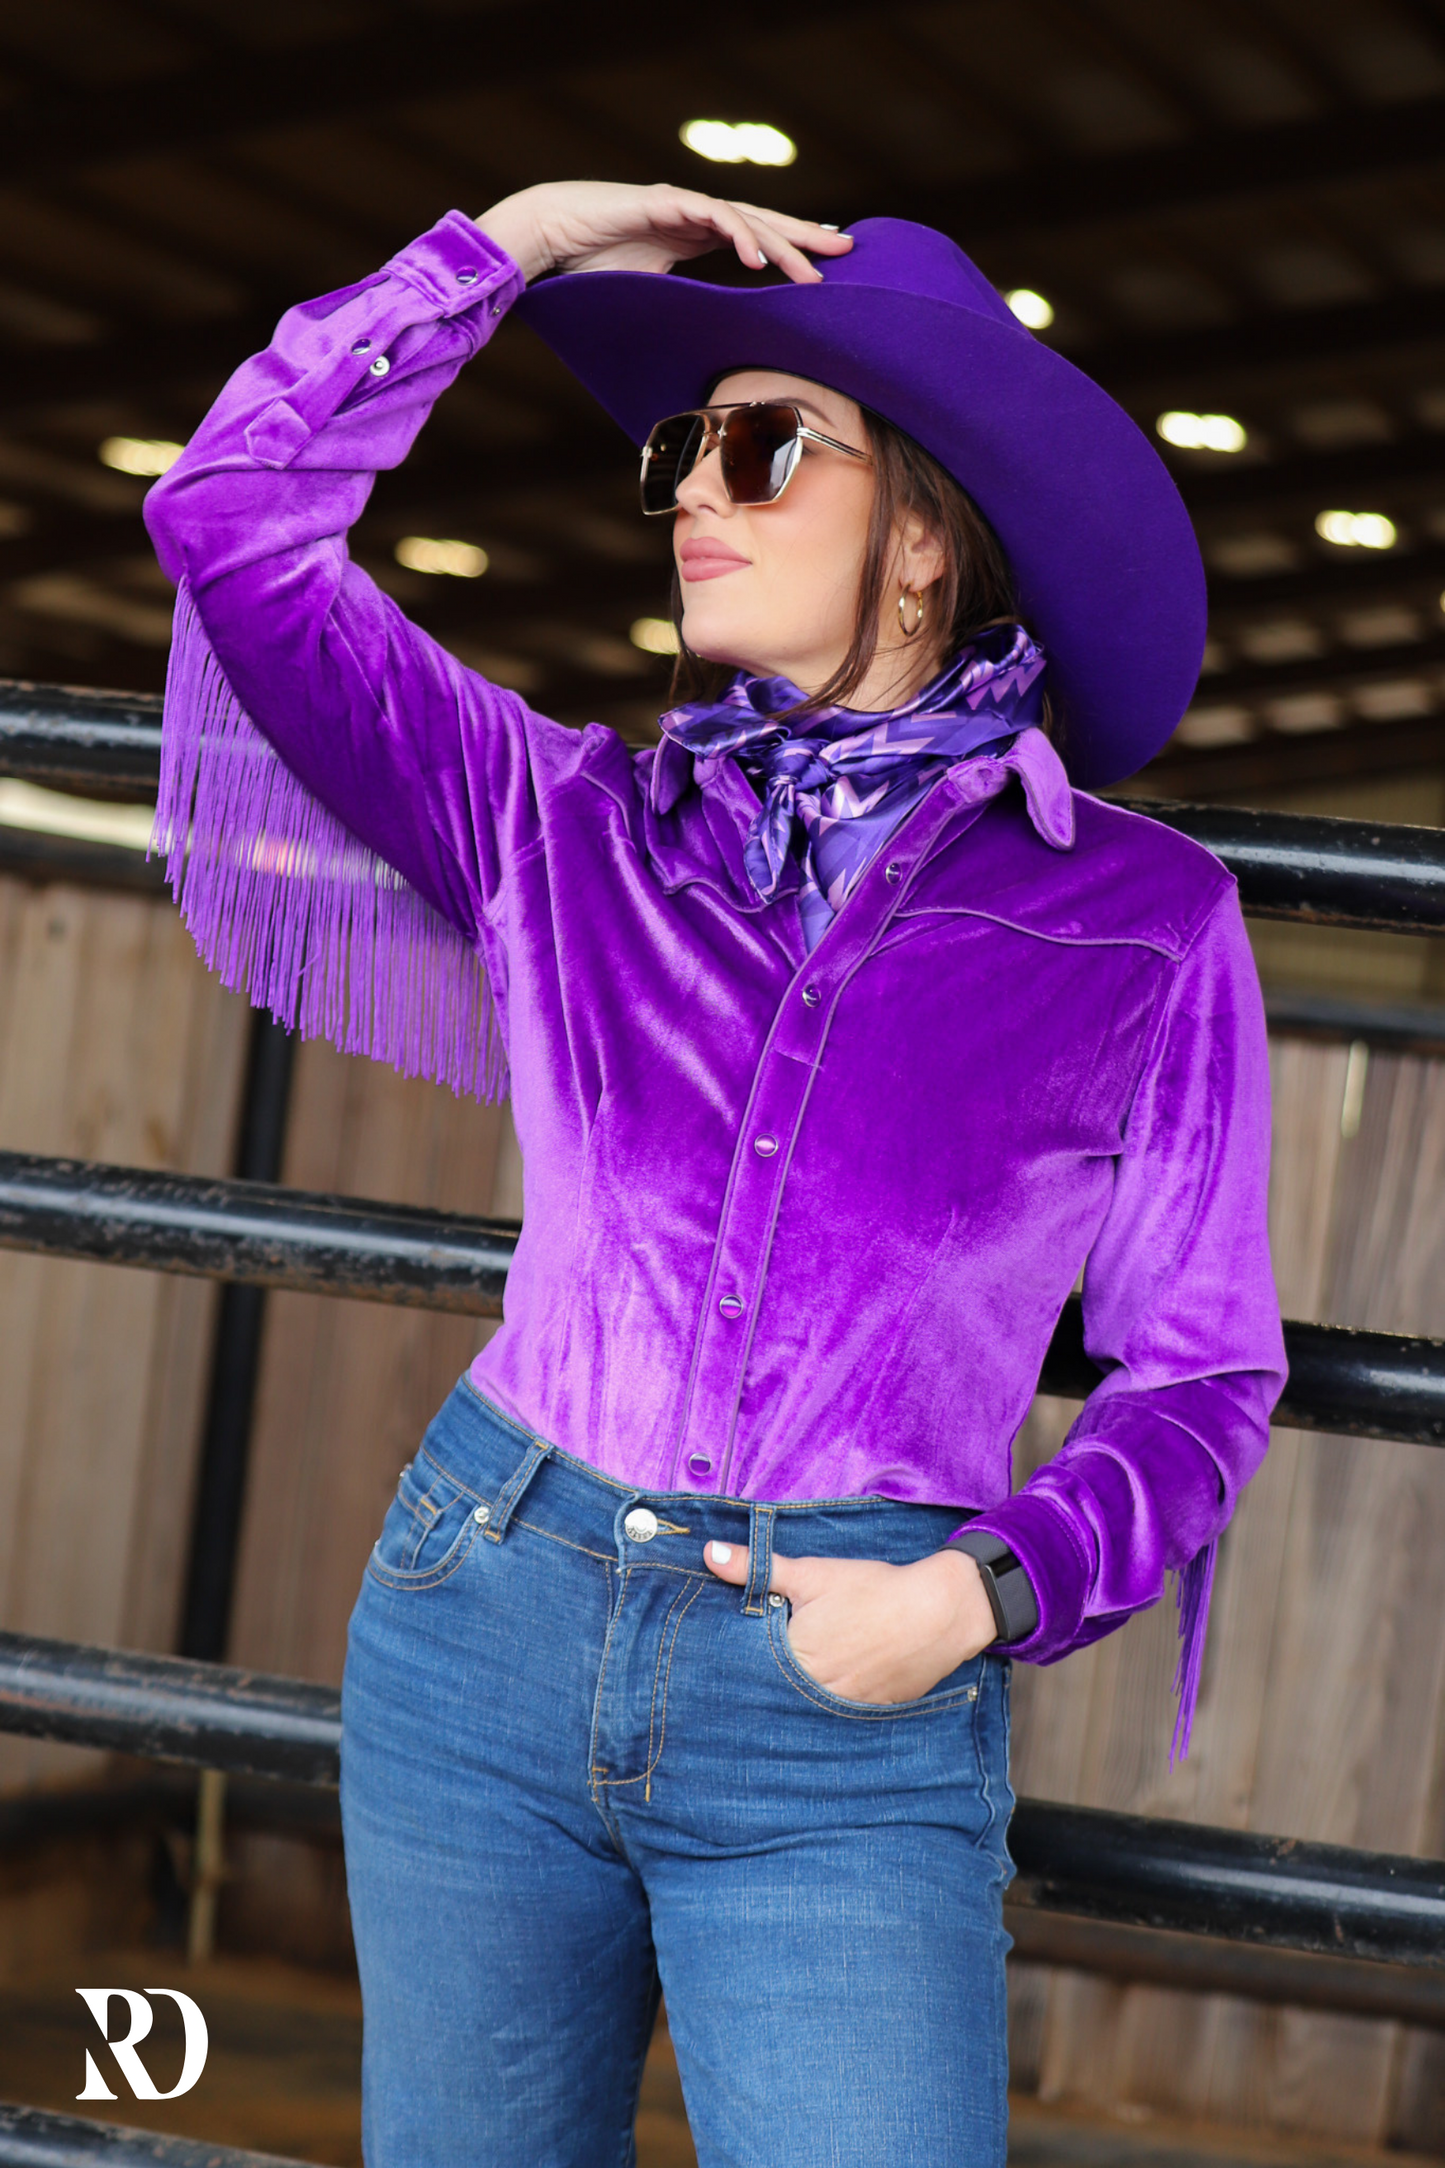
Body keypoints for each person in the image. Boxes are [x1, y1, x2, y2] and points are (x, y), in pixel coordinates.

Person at [144, 181, 1286, 2168]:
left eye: (758, 447)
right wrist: (502, 240)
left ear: (920, 537)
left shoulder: (1139, 923)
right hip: (485, 1612)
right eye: (680, 449)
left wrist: (971, 1593)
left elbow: (1200, 1372)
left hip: (845, 1702)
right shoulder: (558, 821)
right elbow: (229, 515)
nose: (688, 491)